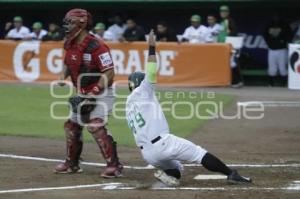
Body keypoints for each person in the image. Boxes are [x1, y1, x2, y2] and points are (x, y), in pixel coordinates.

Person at [125, 30, 252, 187]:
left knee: (177, 168)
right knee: (199, 153)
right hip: (163, 143)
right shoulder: (143, 91)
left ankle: (167, 176)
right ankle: (231, 174)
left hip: (148, 154)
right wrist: (151, 47)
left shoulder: (128, 104)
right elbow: (151, 70)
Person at [54, 8, 123, 178]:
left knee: (95, 125)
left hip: (102, 91)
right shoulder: (70, 43)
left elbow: (109, 72)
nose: (67, 26)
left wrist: (95, 91)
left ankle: (114, 165)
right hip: (82, 91)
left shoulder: (97, 46)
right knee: (72, 126)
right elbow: (68, 63)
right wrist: (63, 76)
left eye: (70, 22)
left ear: (82, 23)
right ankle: (72, 164)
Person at [263, 16, 293, 87]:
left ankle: (284, 83)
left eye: (277, 15)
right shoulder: (269, 25)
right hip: (272, 50)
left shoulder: (284, 24)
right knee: (272, 68)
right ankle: (271, 83)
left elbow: (290, 34)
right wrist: (269, 43)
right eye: (274, 15)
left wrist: (283, 41)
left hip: (282, 50)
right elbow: (265, 34)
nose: (275, 17)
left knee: (282, 67)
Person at [218, 5, 242, 88]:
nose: (223, 13)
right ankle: (233, 81)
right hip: (223, 45)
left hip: (230, 45)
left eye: (225, 11)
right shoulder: (222, 22)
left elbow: (235, 32)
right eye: (221, 11)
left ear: (228, 12)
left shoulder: (229, 20)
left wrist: (230, 33)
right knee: (228, 64)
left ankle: (238, 81)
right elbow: (221, 34)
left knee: (232, 63)